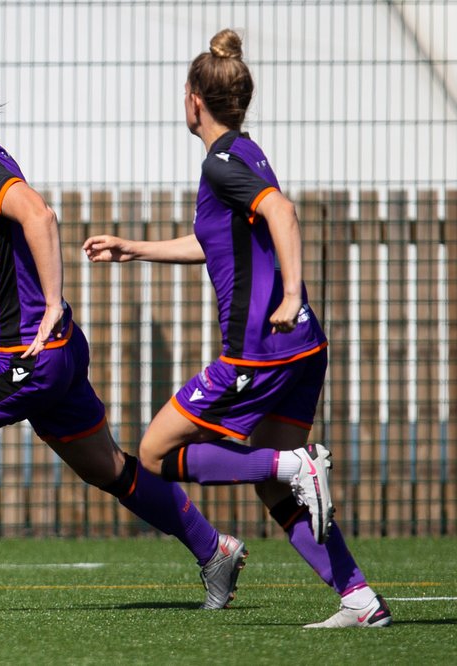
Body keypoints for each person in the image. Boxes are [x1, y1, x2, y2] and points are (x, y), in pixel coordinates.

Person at [0, 62, 246, 610]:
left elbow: (40, 215)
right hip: (55, 354)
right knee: (110, 468)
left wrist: (52, 302)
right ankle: (212, 548)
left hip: (21, 357)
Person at [82, 29, 391, 628]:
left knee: (155, 453)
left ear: (194, 99)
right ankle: (358, 599)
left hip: (259, 352)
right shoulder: (242, 154)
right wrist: (135, 248)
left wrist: (293, 292)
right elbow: (214, 242)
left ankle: (296, 467)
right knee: (271, 488)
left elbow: (280, 210)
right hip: (301, 346)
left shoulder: (222, 164)